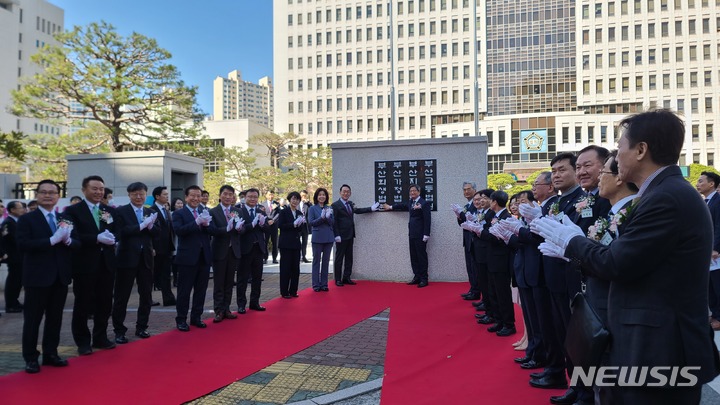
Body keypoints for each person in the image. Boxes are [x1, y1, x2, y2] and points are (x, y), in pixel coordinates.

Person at [533, 109, 720, 404]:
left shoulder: (666, 198)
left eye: (620, 148)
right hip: (649, 344)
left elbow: (617, 262)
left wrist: (571, 241)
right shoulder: (662, 193)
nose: (617, 157)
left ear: (641, 150)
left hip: (659, 349)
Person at [17, 179, 78, 373]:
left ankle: (50, 353)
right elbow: (23, 245)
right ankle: (30, 357)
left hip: (60, 277)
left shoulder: (65, 218)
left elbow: (77, 244)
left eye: (52, 192)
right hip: (37, 277)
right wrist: (50, 241)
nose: (48, 195)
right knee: (33, 320)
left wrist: (68, 241)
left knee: (55, 318)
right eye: (44, 192)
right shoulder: (27, 219)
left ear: (58, 196)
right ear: (37, 195)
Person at [63, 175, 117, 355]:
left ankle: (100, 337)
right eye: (94, 188)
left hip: (106, 264)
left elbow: (112, 229)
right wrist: (95, 238)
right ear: (84, 190)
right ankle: (83, 341)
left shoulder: (106, 210)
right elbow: (72, 236)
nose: (98, 192)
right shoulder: (72, 211)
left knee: (104, 303)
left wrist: (112, 238)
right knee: (83, 304)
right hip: (84, 265)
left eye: (101, 189)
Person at [111, 182, 159, 344]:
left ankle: (142, 327)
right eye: (135, 194)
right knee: (121, 296)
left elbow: (158, 232)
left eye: (141, 193)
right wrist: (140, 226)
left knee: (146, 295)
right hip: (126, 258)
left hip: (146, 258)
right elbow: (120, 232)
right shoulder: (120, 211)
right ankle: (119, 330)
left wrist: (151, 226)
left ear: (146, 194)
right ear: (129, 195)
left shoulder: (150, 211)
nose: (138, 197)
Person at [172, 185, 216, 332]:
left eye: (199, 196)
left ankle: (196, 317)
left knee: (201, 290)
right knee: (184, 291)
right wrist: (196, 223)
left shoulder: (204, 211)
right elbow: (179, 231)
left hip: (204, 257)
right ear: (186, 197)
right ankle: (181, 319)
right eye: (193, 196)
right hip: (187, 258)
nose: (196, 198)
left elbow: (211, 231)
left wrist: (207, 224)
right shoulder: (179, 214)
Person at [480, 190, 515, 336]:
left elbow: (499, 239)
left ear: (495, 202)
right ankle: (499, 320)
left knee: (503, 294)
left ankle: (509, 324)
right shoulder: (495, 216)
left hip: (501, 260)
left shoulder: (506, 217)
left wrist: (481, 232)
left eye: (491, 200)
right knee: (494, 292)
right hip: (492, 259)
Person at [383, 184, 432, 288]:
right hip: (412, 234)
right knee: (413, 256)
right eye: (410, 191)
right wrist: (390, 207)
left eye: (414, 191)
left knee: (421, 256)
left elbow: (427, 220)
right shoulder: (411, 202)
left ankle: (424, 278)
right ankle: (417, 276)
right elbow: (402, 205)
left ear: (419, 192)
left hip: (421, 235)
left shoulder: (424, 203)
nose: (412, 193)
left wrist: (426, 234)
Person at [332, 184, 379, 286]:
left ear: (350, 193)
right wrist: (336, 235)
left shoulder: (350, 203)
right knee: (339, 258)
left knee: (349, 257)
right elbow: (334, 222)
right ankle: (338, 279)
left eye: (348, 191)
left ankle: (346, 277)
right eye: (344, 191)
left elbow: (358, 211)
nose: (346, 193)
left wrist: (371, 208)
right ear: (340, 193)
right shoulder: (335, 205)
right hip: (341, 236)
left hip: (350, 235)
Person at [208, 185, 243, 323]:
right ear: (220, 195)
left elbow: (243, 228)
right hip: (219, 251)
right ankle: (218, 310)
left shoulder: (237, 210)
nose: (228, 197)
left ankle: (227, 308)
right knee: (219, 282)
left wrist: (240, 228)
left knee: (229, 282)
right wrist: (225, 229)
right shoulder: (213, 212)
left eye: (231, 194)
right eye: (225, 194)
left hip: (233, 250)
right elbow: (211, 230)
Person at [236, 188, 269, 312]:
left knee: (257, 278)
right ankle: (241, 304)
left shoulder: (261, 211)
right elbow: (240, 229)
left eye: (255, 197)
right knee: (242, 278)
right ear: (245, 197)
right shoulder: (239, 211)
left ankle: (254, 302)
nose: (252, 199)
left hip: (258, 249)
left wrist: (262, 224)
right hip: (245, 249)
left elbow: (267, 228)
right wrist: (252, 225)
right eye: (250, 196)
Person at [697, 171, 720, 331]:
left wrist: (715, 248)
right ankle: (715, 313)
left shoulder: (717, 202)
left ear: (711, 184)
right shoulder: (706, 201)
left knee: (717, 284)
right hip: (706, 251)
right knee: (710, 284)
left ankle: (719, 317)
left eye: (701, 181)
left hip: (715, 253)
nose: (697, 184)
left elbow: (719, 226)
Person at [452, 181, 480, 301]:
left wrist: (464, 215)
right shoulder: (467, 205)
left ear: (474, 189)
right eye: (464, 190)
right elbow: (462, 223)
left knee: (475, 267)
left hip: (474, 240)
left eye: (468, 189)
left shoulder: (476, 204)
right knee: (469, 266)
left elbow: (475, 221)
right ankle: (472, 289)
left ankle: (476, 291)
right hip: (467, 239)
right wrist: (459, 215)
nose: (466, 192)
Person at [150, 186, 176, 306]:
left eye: (167, 194)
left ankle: (168, 298)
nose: (167, 196)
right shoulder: (151, 210)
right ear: (157, 196)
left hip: (167, 247)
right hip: (156, 248)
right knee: (152, 274)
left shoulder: (166, 210)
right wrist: (152, 247)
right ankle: (148, 298)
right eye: (164, 194)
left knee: (166, 274)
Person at [277, 191, 305, 298]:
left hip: (296, 243)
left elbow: (301, 229)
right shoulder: (284, 212)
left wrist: (300, 224)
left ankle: (293, 290)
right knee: (285, 268)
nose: (295, 201)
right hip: (285, 244)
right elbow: (281, 226)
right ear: (289, 199)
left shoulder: (299, 213)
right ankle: (284, 291)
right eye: (293, 199)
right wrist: (292, 224)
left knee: (295, 268)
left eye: (297, 199)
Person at [308, 188, 334, 292]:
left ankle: (324, 284)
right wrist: (322, 218)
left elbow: (333, 222)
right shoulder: (312, 209)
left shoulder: (330, 208)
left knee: (326, 262)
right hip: (317, 238)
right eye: (320, 195)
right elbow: (311, 222)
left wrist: (327, 217)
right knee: (316, 262)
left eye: (324, 195)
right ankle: (316, 284)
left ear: (326, 197)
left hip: (328, 238)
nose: (322, 196)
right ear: (316, 197)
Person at [2, 201, 25, 313]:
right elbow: (13, 241)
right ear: (12, 210)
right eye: (20, 208)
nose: (23, 210)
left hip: (19, 257)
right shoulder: (8, 222)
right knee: (13, 281)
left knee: (18, 281)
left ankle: (15, 302)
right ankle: (10, 304)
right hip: (14, 257)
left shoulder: (16, 221)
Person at [262, 191, 280, 264]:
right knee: (265, 242)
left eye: (272, 195)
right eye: (269, 195)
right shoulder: (262, 204)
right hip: (266, 225)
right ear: (266, 195)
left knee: (275, 242)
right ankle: (265, 258)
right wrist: (267, 221)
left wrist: (273, 220)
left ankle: (274, 258)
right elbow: (262, 214)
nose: (271, 196)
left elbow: (279, 213)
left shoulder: (276, 204)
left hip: (274, 225)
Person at [299, 190, 311, 263]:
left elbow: (311, 209)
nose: (303, 197)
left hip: (305, 225)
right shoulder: (296, 203)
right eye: (302, 195)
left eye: (304, 196)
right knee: (297, 241)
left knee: (304, 242)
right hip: (297, 225)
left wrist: (308, 203)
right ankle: (297, 256)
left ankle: (304, 256)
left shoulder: (308, 204)